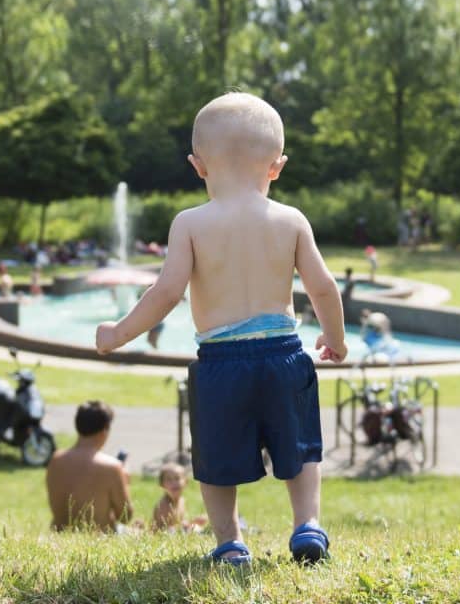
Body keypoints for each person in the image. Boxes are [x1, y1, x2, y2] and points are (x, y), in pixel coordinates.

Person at [96, 92, 347, 566]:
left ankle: (230, 541)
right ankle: (307, 525)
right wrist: (335, 340)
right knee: (300, 447)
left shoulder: (190, 224)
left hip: (221, 361)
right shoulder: (291, 220)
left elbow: (165, 294)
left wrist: (118, 334)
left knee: (215, 458)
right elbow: (324, 288)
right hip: (285, 354)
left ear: (197, 166)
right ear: (277, 166)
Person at [46, 400, 132, 531]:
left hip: (60, 535)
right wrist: (125, 481)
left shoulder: (55, 460)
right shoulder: (111, 467)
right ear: (105, 430)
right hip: (99, 538)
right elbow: (125, 517)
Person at [152, 462, 206, 532]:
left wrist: (192, 521)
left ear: (186, 482)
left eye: (177, 478)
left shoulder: (182, 501)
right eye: (169, 479)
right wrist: (191, 523)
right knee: (195, 529)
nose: (174, 482)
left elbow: (180, 522)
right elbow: (164, 529)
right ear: (162, 484)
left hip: (176, 532)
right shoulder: (163, 505)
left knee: (198, 529)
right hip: (165, 535)